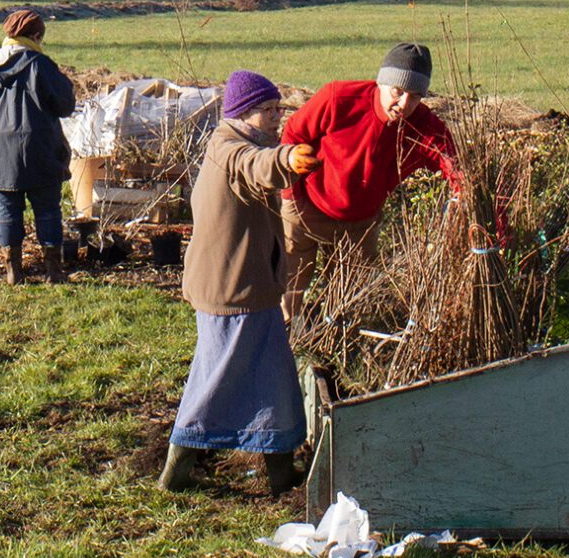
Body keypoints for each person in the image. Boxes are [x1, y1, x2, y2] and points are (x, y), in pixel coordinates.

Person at [162, 70, 306, 494]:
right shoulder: (232, 150)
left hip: (245, 287)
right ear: (244, 114)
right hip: (234, 291)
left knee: (272, 377)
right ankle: (178, 465)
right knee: (218, 380)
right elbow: (258, 166)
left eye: (279, 108)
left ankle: (280, 472)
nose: (277, 117)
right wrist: (287, 160)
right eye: (268, 111)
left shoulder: (233, 143)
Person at [277, 42, 465, 317]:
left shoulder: (424, 127)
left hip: (360, 223)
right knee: (289, 287)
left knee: (352, 298)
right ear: (381, 83)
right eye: (397, 92)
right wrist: (291, 197)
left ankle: (334, 349)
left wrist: (464, 194)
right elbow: (293, 134)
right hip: (309, 207)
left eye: (414, 97)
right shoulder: (338, 99)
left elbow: (455, 166)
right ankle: (284, 347)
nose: (403, 104)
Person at [0, 9, 76, 284]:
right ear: (36, 35)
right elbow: (65, 105)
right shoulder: (40, 64)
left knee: (7, 209)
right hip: (37, 144)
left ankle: (13, 271)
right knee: (48, 208)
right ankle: (53, 271)